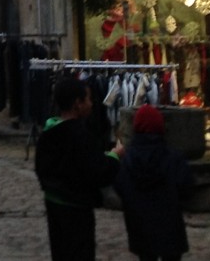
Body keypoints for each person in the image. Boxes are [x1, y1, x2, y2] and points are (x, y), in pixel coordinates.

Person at [34, 75, 124, 261]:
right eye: (89, 99)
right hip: (75, 209)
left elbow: (44, 168)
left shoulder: (49, 132)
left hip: (54, 204)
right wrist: (115, 156)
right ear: (78, 104)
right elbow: (97, 172)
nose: (92, 104)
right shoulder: (79, 135)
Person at [114, 104, 193, 261]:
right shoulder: (173, 157)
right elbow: (186, 187)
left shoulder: (128, 159)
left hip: (140, 225)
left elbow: (120, 187)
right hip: (170, 226)